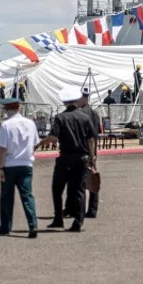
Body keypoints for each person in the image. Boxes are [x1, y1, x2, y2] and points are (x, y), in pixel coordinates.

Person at [41, 87, 98, 232]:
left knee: (57, 188)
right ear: (77, 100)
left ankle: (58, 218)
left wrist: (39, 143)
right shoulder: (85, 117)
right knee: (79, 189)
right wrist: (92, 158)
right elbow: (90, 140)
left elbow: (53, 137)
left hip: (65, 157)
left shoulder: (60, 117)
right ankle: (78, 221)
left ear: (64, 101)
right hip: (82, 157)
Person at [0, 96, 40, 239]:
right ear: (19, 108)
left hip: (10, 164)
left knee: (7, 197)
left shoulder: (6, 125)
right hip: (26, 164)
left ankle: (5, 226)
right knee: (27, 195)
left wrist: (0, 168)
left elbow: (2, 148)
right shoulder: (30, 123)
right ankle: (33, 224)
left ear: (7, 109)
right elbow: (36, 143)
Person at [66, 87, 103, 219]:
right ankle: (92, 209)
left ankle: (74, 209)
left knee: (77, 181)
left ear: (82, 99)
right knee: (93, 179)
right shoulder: (95, 114)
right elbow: (97, 132)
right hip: (93, 151)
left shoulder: (81, 114)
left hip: (82, 151)